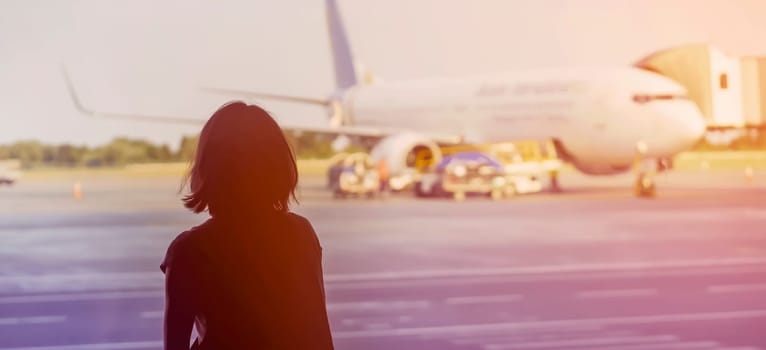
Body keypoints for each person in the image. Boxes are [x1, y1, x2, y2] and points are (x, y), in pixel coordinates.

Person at [161, 101, 334, 350]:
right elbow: (319, 335)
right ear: (279, 166)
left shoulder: (189, 251)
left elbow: (175, 344)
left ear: (207, 169)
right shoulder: (300, 235)